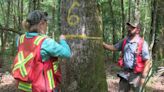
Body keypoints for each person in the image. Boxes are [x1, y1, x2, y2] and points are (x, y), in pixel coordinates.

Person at [12, 10, 71, 92]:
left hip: (25, 85)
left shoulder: (20, 39)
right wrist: (62, 41)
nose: (47, 26)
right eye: (46, 24)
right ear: (41, 24)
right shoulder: (45, 42)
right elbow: (67, 53)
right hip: (41, 87)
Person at [103, 22, 151, 92]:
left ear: (138, 30)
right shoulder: (125, 41)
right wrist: (103, 44)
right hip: (124, 74)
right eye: (129, 27)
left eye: (132, 27)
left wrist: (143, 77)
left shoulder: (142, 43)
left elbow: (147, 61)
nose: (129, 29)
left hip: (136, 76)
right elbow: (114, 47)